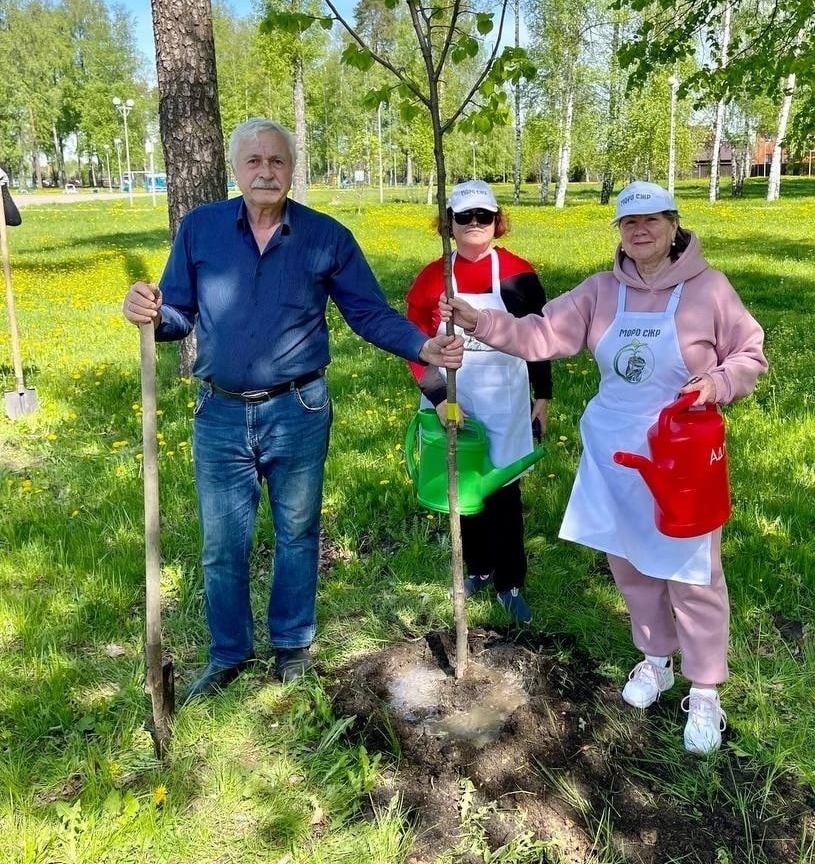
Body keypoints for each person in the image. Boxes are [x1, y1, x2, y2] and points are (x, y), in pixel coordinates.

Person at [122, 119, 463, 704]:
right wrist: (151, 313)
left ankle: (292, 649)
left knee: (298, 532)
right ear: (236, 169)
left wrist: (421, 345)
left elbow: (368, 312)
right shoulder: (200, 229)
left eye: (276, 161)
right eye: (253, 161)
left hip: (298, 408)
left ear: (291, 168)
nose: (265, 171)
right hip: (220, 413)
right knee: (222, 543)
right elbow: (178, 315)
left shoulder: (325, 236)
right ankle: (228, 653)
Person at [440, 181, 766, 753]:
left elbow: (749, 353)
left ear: (673, 225)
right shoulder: (600, 291)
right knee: (632, 566)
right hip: (614, 454)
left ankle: (707, 690)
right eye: (628, 223)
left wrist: (717, 383)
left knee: (692, 574)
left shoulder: (709, 289)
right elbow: (541, 332)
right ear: (619, 231)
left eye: (652, 221)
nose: (640, 231)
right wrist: (480, 322)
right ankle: (654, 660)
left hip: (681, 456)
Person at [406, 180, 552, 623]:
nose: (474, 225)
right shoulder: (433, 277)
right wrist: (436, 397)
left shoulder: (518, 274)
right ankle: (478, 570)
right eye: (463, 216)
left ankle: (510, 582)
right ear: (448, 222)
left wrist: (542, 396)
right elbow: (413, 341)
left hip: (506, 401)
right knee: (464, 491)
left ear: (496, 221)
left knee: (504, 494)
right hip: (454, 399)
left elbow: (539, 337)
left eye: (482, 216)